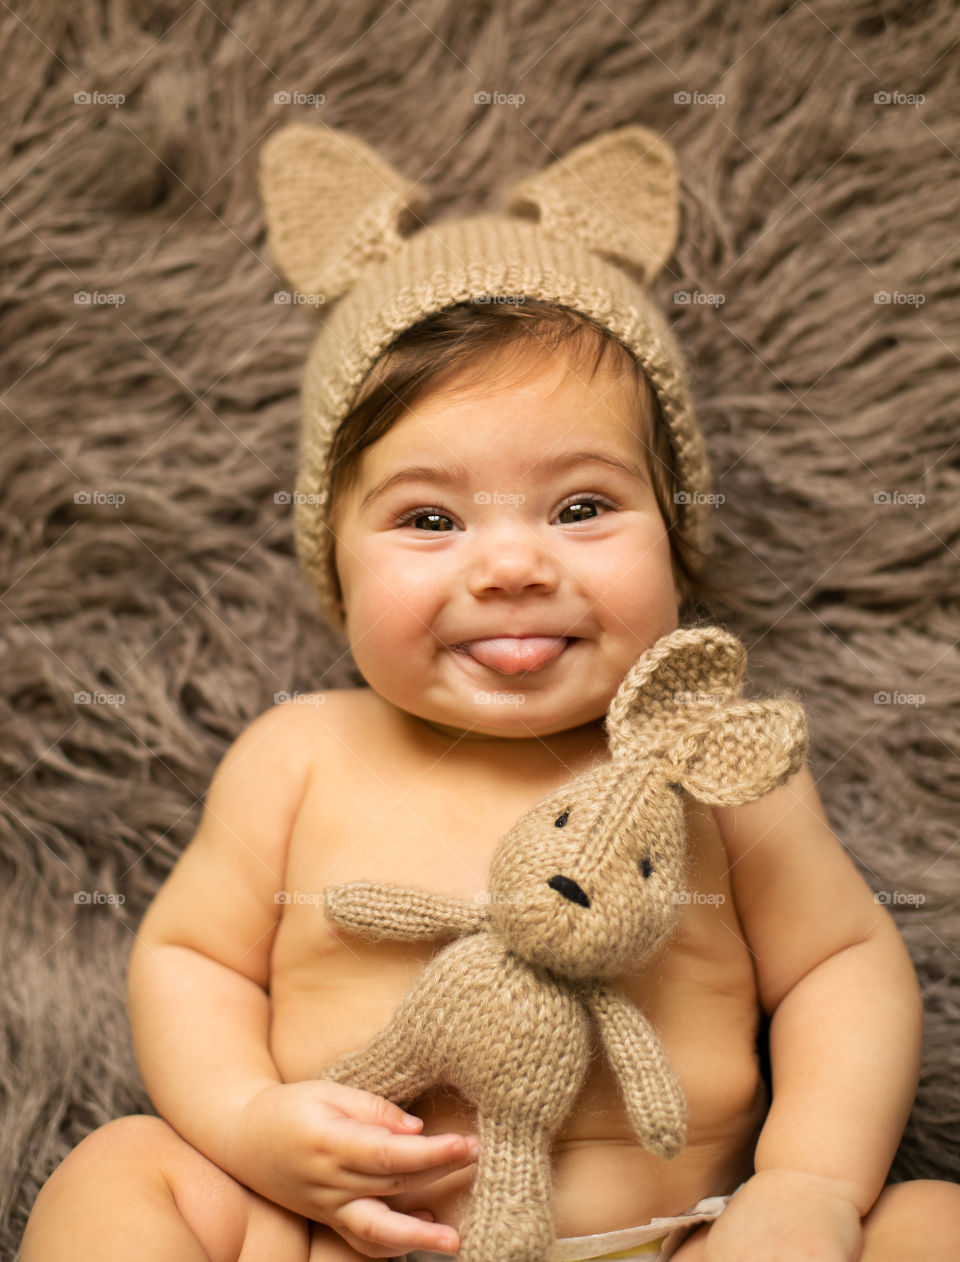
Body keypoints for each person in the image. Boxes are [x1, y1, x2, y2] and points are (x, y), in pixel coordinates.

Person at [21, 124, 960, 1262]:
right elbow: (192, 959)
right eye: (430, 519)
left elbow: (842, 965)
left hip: (665, 1242)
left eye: (580, 507)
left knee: (929, 1219)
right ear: (336, 559)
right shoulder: (298, 753)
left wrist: (809, 1183)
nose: (512, 565)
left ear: (676, 537)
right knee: (124, 1168)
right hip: (348, 1242)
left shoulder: (715, 761)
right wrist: (252, 1123)